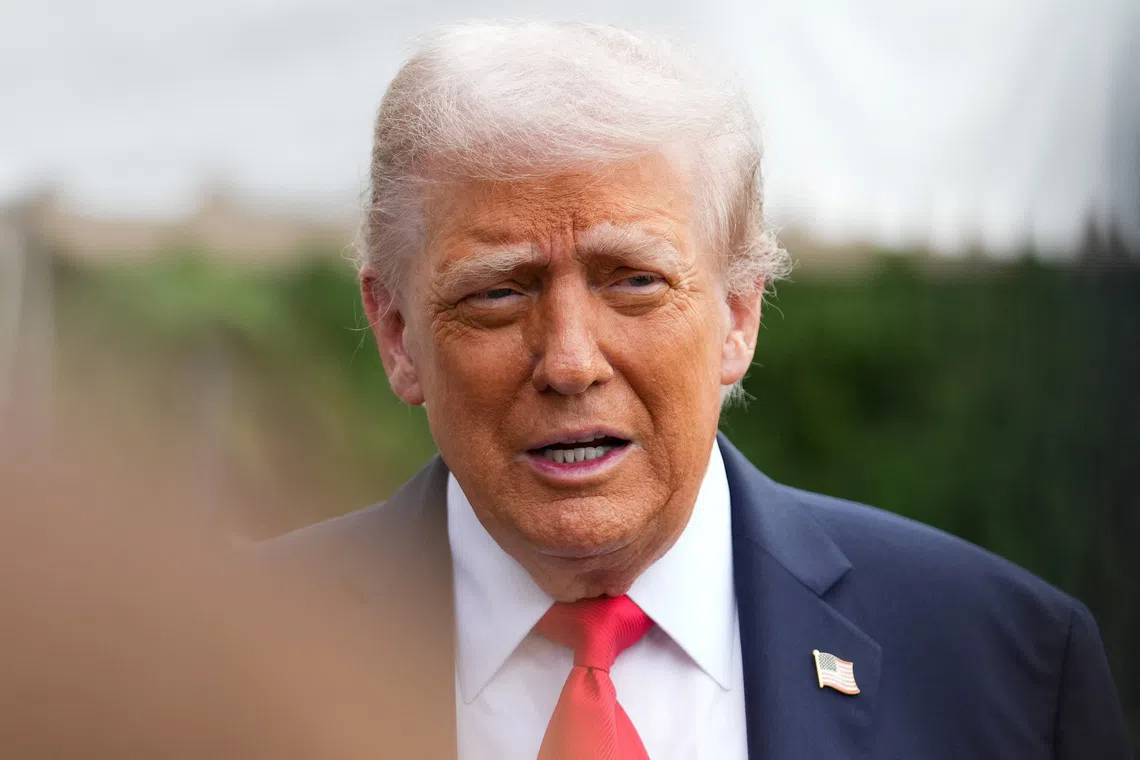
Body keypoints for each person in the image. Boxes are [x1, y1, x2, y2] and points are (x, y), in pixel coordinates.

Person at [262, 20, 1132, 759]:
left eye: (633, 280)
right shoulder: (213, 651)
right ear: (397, 333)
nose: (570, 362)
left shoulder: (1004, 665)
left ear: (740, 313)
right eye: (498, 291)